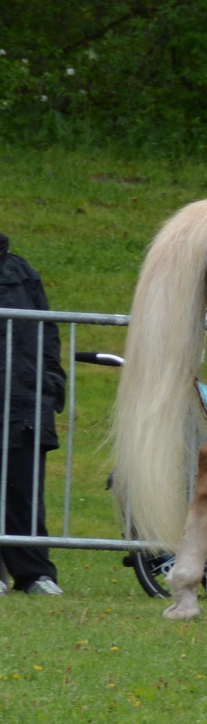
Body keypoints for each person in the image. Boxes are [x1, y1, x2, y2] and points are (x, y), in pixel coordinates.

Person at [0, 234, 66, 596]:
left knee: (24, 491)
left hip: (23, 399)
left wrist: (51, 385)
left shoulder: (22, 272)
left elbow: (47, 332)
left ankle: (35, 575)